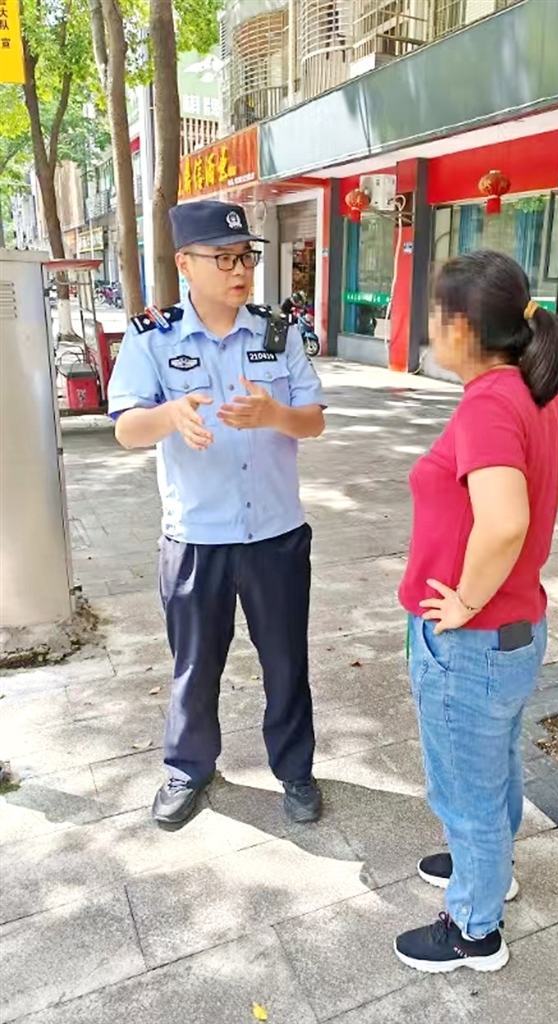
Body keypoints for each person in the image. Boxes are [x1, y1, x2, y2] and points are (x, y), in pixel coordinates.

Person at [107, 200, 326, 828]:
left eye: (246, 257)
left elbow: (312, 421)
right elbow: (125, 429)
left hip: (276, 535)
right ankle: (189, 769)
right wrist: (168, 416)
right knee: (195, 665)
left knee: (286, 661)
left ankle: (295, 770)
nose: (240, 270)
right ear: (185, 264)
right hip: (196, 537)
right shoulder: (152, 338)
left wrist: (275, 415)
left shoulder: (278, 332)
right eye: (224, 259)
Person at [395, 250, 558, 973]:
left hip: (470, 636)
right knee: (493, 766)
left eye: (434, 314)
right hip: (516, 629)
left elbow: (504, 522)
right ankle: (488, 869)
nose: (428, 326)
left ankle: (474, 928)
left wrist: (468, 596)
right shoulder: (534, 392)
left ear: (461, 327)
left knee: (464, 789)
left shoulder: (487, 404)